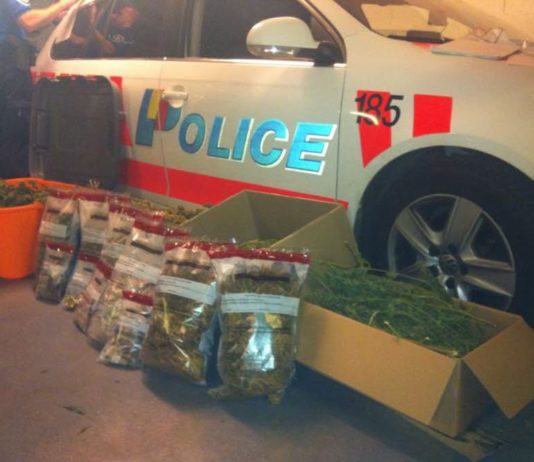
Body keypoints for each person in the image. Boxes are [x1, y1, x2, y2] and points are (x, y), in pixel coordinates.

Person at [0, 0, 76, 178]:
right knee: (15, 133)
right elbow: (29, 22)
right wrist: (64, 3)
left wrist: (53, 16)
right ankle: (15, 189)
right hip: (7, 75)